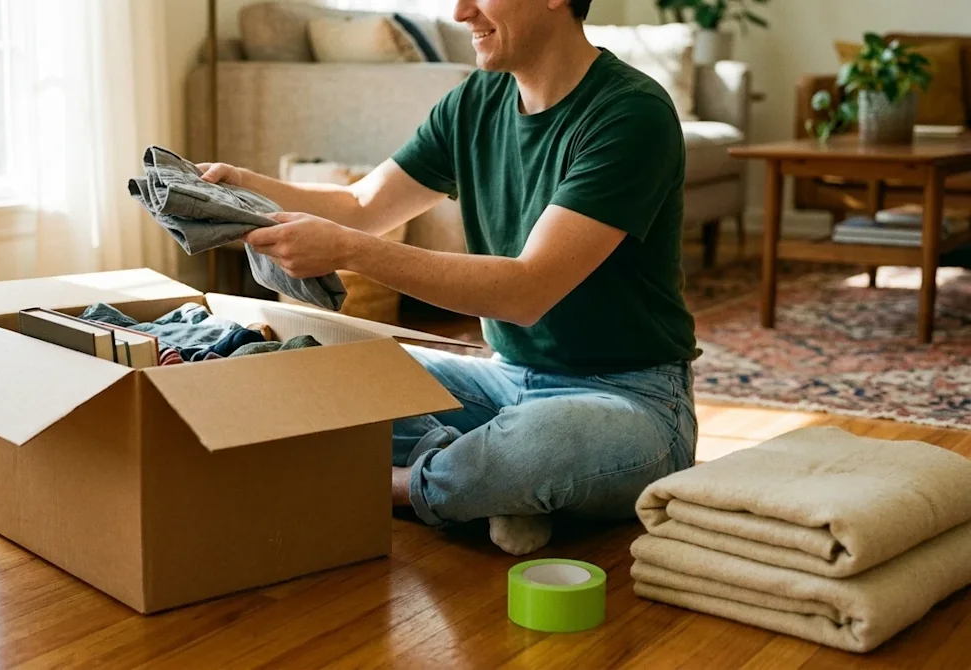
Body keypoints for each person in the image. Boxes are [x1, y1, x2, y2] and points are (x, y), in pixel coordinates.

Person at [196, 0, 699, 555]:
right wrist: (242, 188)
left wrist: (347, 250)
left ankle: (391, 482)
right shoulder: (476, 100)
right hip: (503, 381)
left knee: (541, 443)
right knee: (321, 369)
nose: (461, 12)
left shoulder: (632, 114)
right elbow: (361, 205)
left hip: (631, 399)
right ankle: (486, 485)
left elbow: (527, 290)